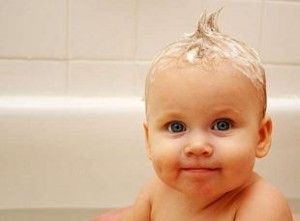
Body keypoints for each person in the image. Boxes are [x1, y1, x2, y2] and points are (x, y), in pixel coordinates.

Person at [92, 9, 292, 221]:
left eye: (222, 125)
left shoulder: (262, 206)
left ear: (261, 137)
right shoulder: (154, 195)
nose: (197, 146)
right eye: (176, 127)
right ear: (149, 141)